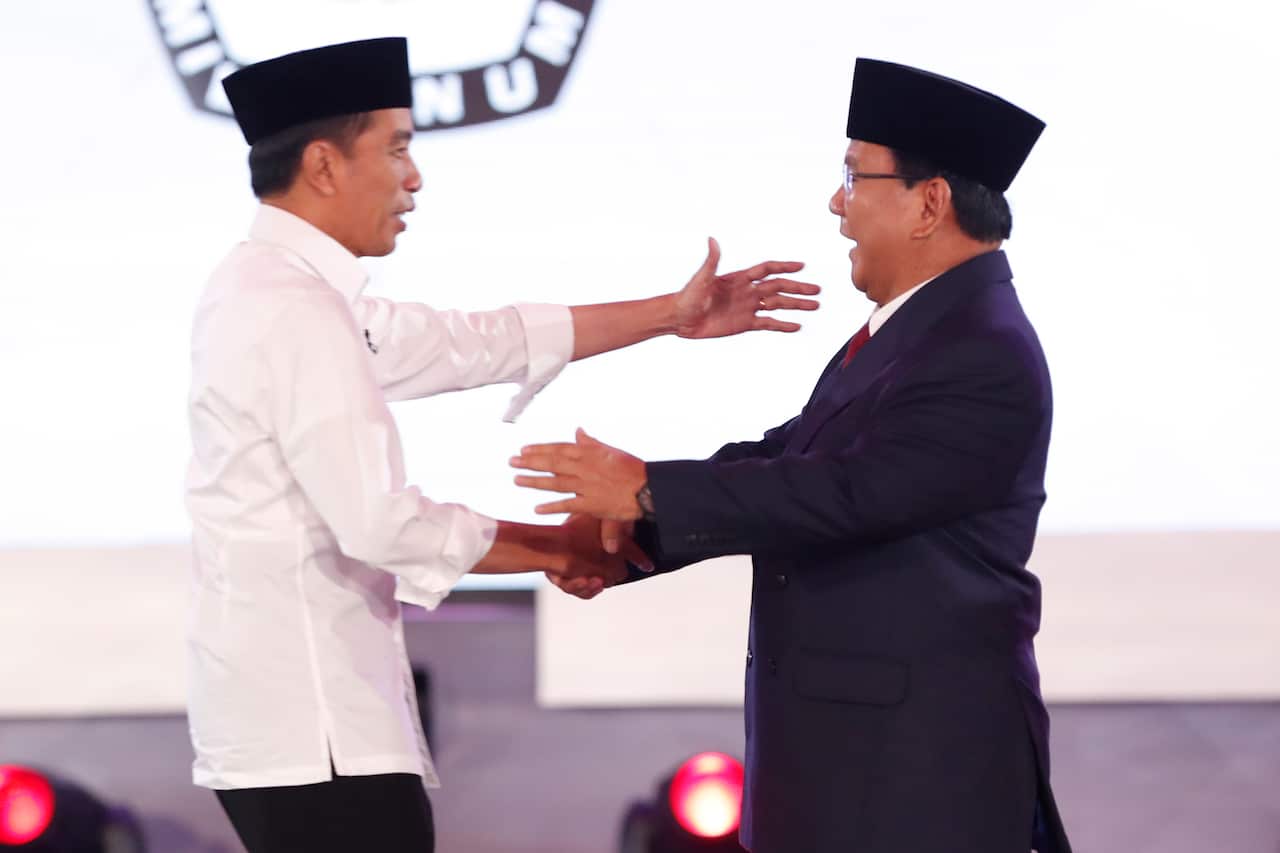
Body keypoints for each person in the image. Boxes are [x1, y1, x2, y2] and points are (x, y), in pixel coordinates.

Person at [186, 37, 819, 853]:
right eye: (398, 149)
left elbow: (474, 341)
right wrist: (558, 544)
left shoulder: (273, 290)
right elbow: (381, 525)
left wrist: (669, 314)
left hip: (295, 722)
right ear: (323, 164)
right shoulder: (292, 307)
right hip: (317, 728)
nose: (413, 178)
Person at [512, 58, 1072, 852]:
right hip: (851, 774)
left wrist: (645, 491)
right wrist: (636, 539)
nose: (836, 203)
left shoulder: (982, 348)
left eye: (853, 175)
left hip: (917, 780)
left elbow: (846, 492)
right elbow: (788, 456)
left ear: (930, 203)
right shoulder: (921, 331)